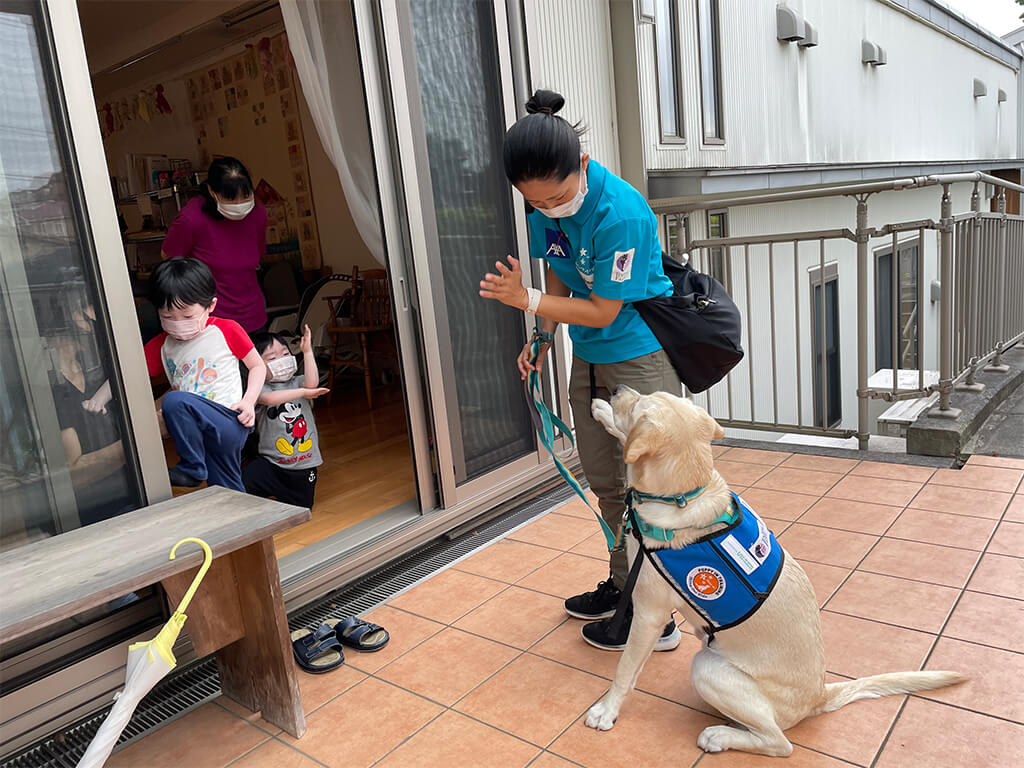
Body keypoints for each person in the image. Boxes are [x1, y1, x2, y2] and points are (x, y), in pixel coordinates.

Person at [479, 89, 683, 652]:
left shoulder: (622, 212)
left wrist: (525, 304)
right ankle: (624, 584)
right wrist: (541, 337)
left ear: (584, 167)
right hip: (590, 358)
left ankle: (658, 614)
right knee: (605, 481)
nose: (551, 209)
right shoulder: (546, 208)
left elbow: (603, 309)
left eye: (561, 196)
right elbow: (563, 280)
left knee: (652, 488)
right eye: (537, 202)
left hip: (639, 357)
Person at [145, 258, 266, 491]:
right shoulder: (162, 345)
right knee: (226, 487)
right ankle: (243, 522)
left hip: (229, 419)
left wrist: (249, 402)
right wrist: (100, 398)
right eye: (168, 317)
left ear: (210, 306)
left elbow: (258, 366)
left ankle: (192, 468)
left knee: (174, 400)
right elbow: (129, 374)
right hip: (199, 431)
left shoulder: (225, 329)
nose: (178, 324)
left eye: (188, 316)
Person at [161, 157, 268, 333]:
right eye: (230, 198)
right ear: (212, 192)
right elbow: (169, 259)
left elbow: (258, 255)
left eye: (246, 195)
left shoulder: (258, 215)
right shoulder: (192, 219)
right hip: (212, 324)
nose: (239, 204)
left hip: (253, 317)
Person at [243, 325, 328, 508]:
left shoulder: (297, 382)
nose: (281, 360)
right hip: (271, 463)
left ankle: (282, 494)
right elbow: (269, 399)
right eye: (272, 358)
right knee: (240, 487)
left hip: (303, 465)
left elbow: (312, 384)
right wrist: (303, 392)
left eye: (285, 354)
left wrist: (307, 352)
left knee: (302, 507)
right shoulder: (259, 388)